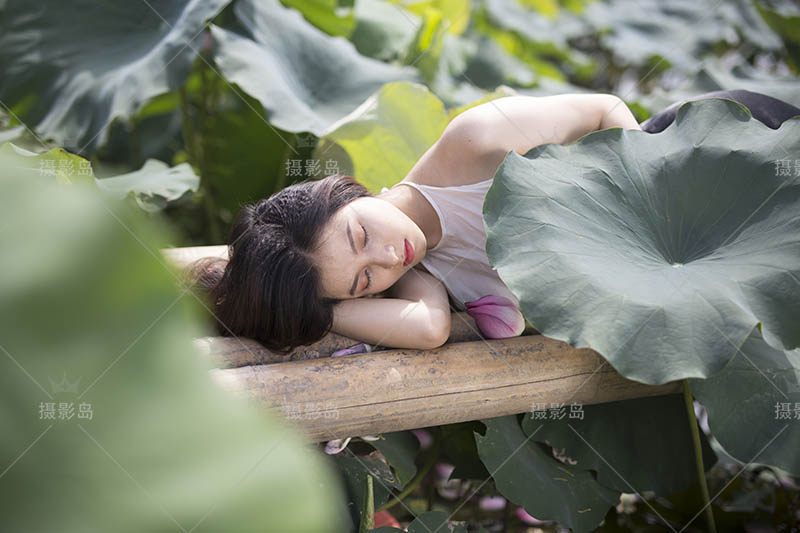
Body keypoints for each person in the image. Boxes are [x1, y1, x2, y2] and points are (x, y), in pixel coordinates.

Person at [188, 90, 800, 355]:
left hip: (722, 164)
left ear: (342, 192)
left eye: (359, 235)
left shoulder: (474, 142)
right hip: (717, 266)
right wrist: (316, 312)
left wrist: (642, 227)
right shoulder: (420, 272)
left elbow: (605, 108)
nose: (387, 258)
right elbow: (429, 330)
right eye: (362, 281)